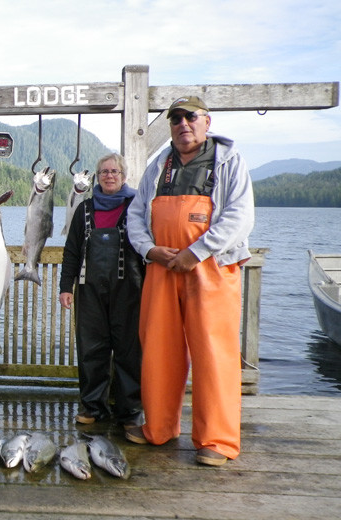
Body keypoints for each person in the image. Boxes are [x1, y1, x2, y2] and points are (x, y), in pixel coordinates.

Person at [125, 96, 255, 466]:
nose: (183, 123)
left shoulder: (228, 161)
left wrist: (195, 252)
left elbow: (239, 218)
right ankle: (159, 427)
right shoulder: (158, 166)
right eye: (176, 118)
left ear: (206, 121)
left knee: (214, 353)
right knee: (158, 349)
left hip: (210, 268)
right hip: (162, 267)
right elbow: (136, 214)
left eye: (190, 117)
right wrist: (149, 250)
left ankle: (216, 440)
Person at [59, 153, 144, 430]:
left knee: (128, 350)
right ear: (98, 176)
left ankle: (129, 410)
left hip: (129, 289)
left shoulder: (136, 206)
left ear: (124, 176)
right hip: (89, 289)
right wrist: (65, 287)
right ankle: (93, 407)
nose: (109, 175)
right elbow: (72, 250)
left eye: (115, 171)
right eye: (104, 171)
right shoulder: (84, 209)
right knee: (91, 350)